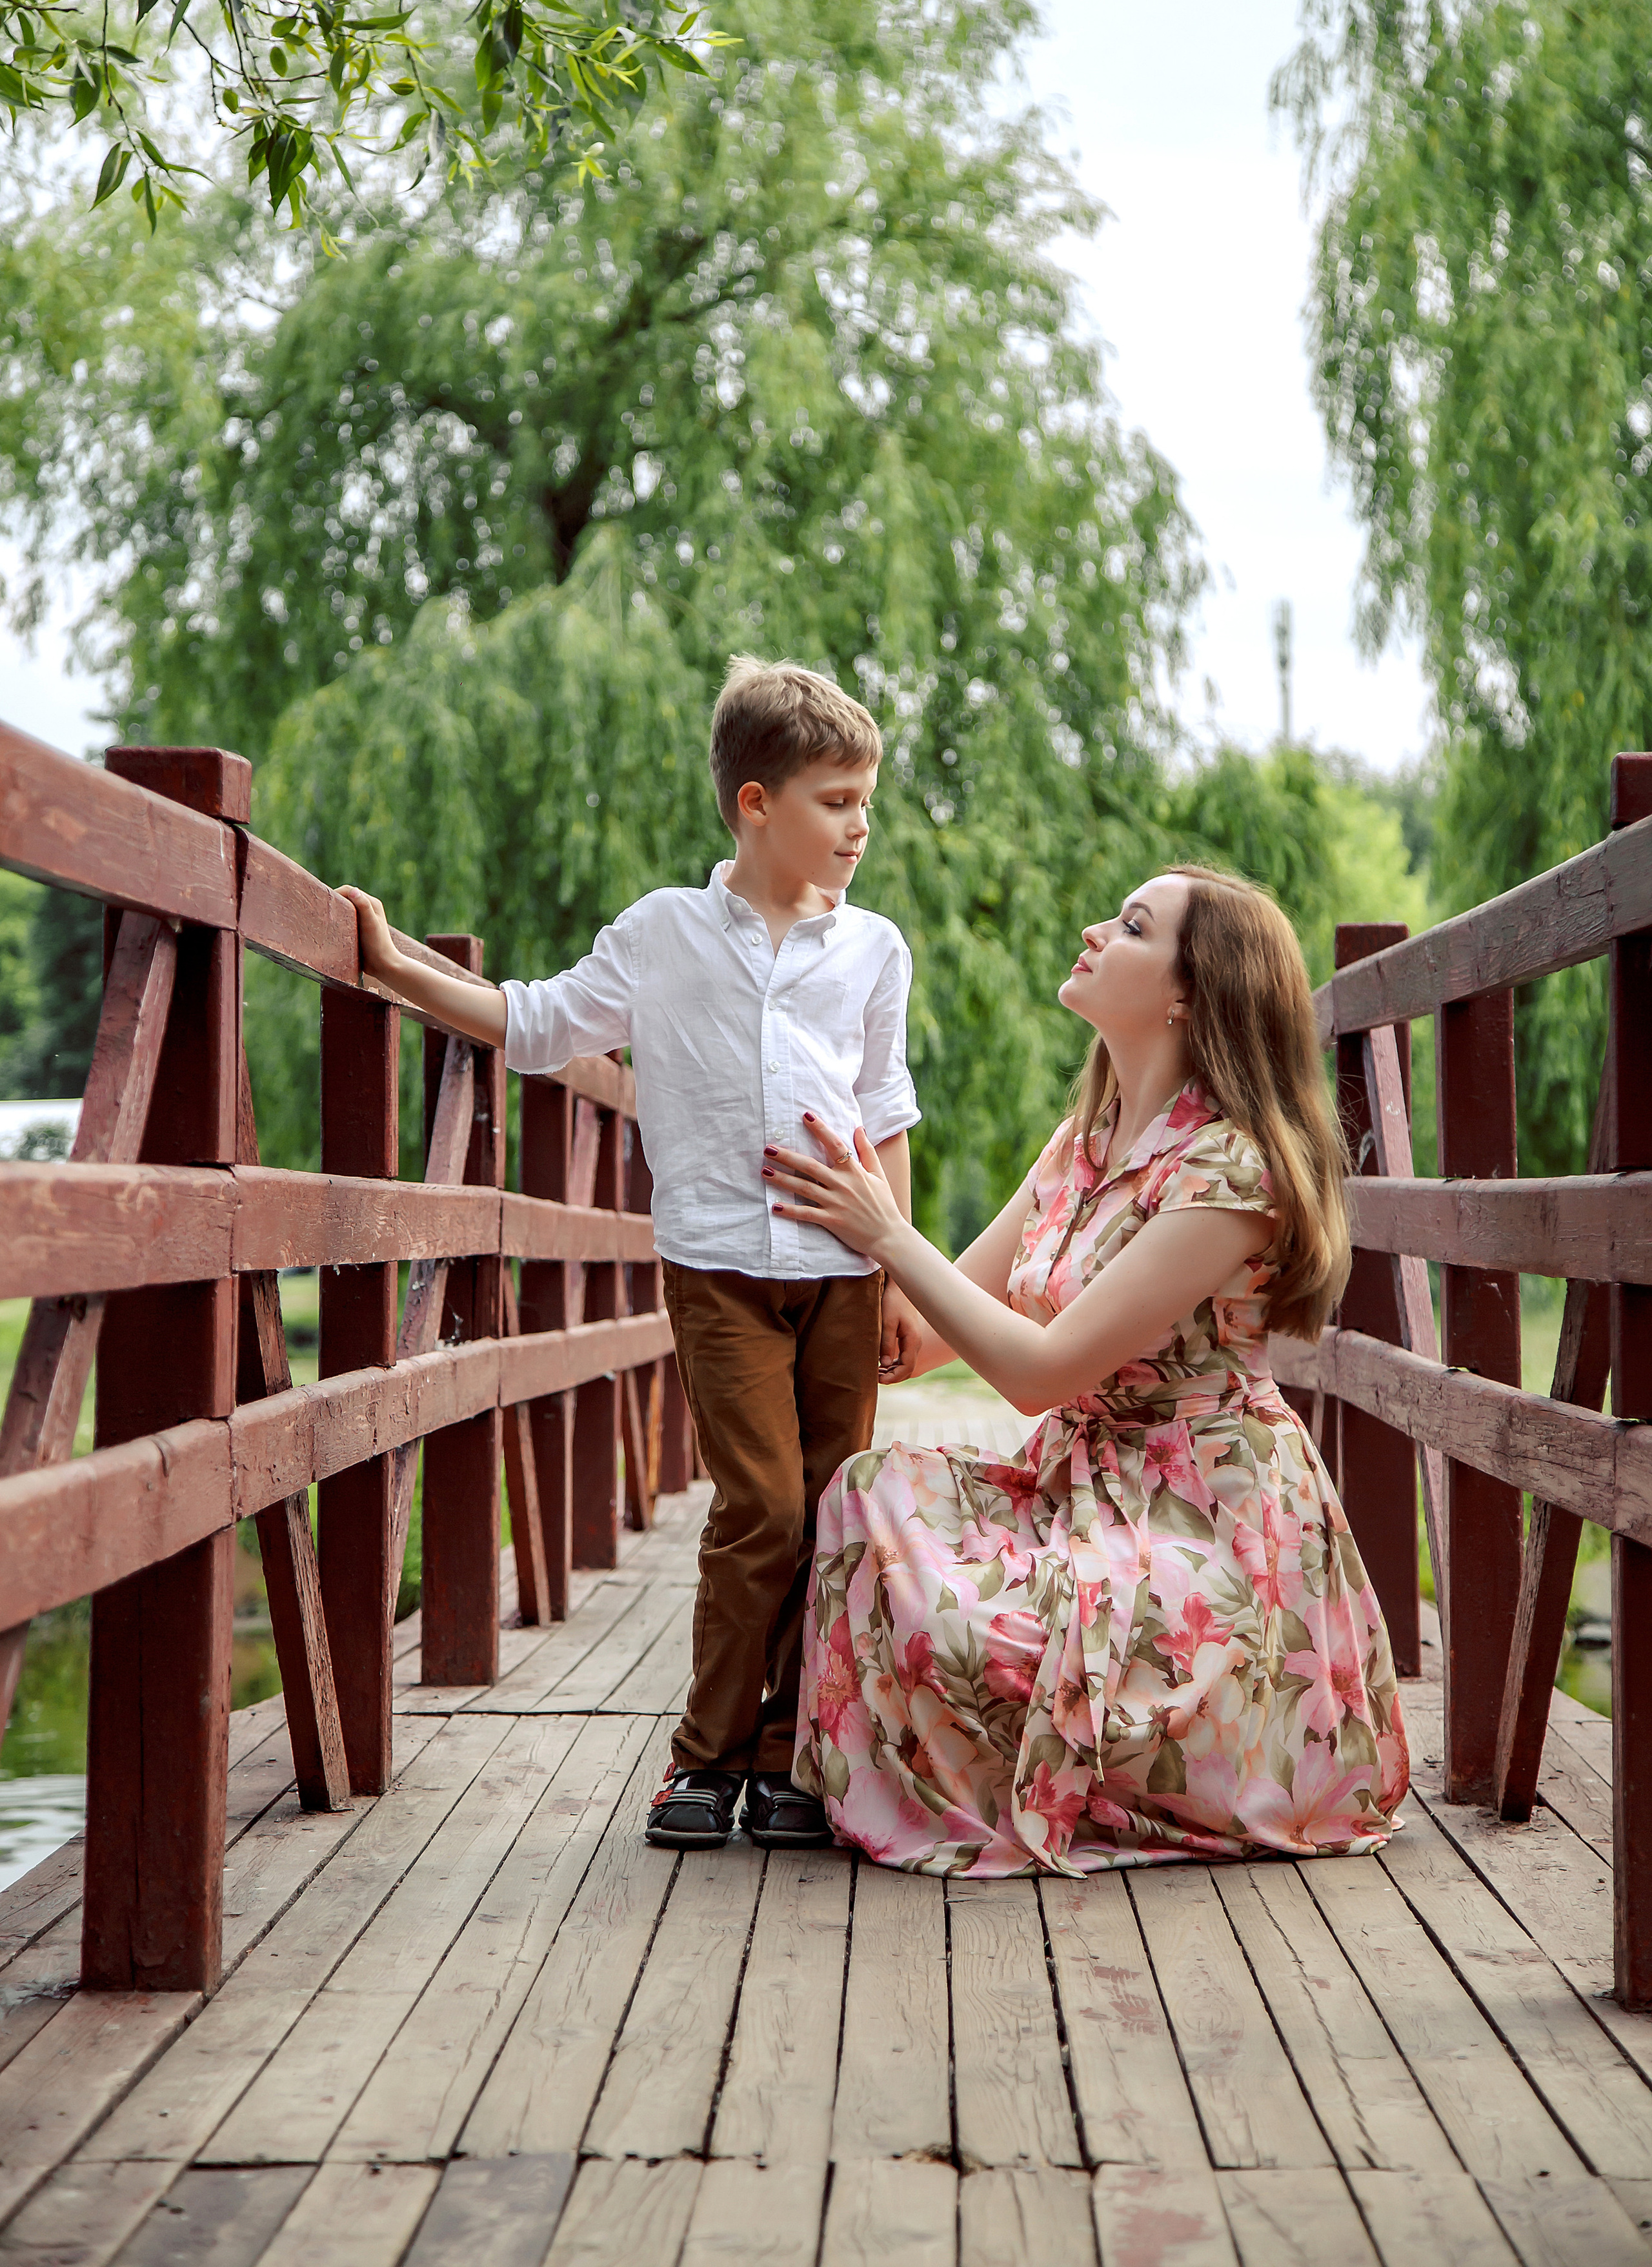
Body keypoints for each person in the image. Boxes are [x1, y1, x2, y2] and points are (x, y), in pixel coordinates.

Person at [339, 657, 920, 1853]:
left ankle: (790, 1762)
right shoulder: (663, 934)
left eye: (867, 800)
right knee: (759, 1502)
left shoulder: (874, 949)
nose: (861, 825)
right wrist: (403, 971)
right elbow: (543, 1023)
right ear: (755, 804)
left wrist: (904, 1268)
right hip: (717, 1266)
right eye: (835, 800)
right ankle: (704, 1757)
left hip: (847, 1270)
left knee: (827, 1511)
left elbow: (888, 1110)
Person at [763, 865, 1410, 1876]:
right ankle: (960, 1766)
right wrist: (782, 1257)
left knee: (988, 1626)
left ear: (1190, 992)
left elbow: (1040, 1371)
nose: (1094, 927)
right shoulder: (1085, 1143)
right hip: (1079, 1490)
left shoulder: (1232, 1171)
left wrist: (887, 1233)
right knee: (868, 1491)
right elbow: (924, 1340)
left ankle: (1145, 1765)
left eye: (1133, 926)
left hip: (1208, 1522)